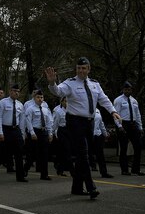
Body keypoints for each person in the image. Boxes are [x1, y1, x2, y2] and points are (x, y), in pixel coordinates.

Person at [45, 57, 121, 199]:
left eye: (84, 68)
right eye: (79, 68)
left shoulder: (94, 84)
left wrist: (113, 111)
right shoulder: (70, 83)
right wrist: (51, 82)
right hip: (75, 121)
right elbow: (58, 91)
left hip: (89, 122)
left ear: (88, 69)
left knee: (82, 156)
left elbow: (103, 98)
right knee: (84, 153)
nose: (81, 70)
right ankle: (91, 187)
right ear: (76, 69)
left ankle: (77, 187)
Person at [0, 84, 29, 182]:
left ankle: (20, 176)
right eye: (14, 91)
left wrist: (22, 133)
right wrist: (0, 132)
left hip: (16, 130)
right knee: (4, 152)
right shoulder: (3, 102)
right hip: (5, 129)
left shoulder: (20, 104)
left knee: (19, 152)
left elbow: (21, 120)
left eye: (18, 91)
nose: (16, 93)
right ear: (10, 91)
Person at [113, 81, 145, 176]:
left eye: (129, 89)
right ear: (123, 90)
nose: (128, 91)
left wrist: (140, 127)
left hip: (133, 124)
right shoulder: (118, 100)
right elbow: (115, 114)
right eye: (126, 89)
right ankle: (124, 169)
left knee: (138, 146)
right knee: (123, 148)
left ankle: (136, 169)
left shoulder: (134, 101)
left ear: (131, 90)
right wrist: (119, 126)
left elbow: (138, 115)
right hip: (123, 124)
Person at [22, 89, 54, 180]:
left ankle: (44, 174)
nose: (40, 99)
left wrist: (50, 133)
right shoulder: (30, 108)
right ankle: (25, 168)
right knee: (32, 154)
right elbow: (28, 122)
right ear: (34, 98)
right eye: (38, 97)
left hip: (43, 132)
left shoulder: (45, 109)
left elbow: (49, 121)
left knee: (44, 154)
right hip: (34, 132)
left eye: (41, 97)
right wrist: (31, 132)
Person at [89, 109, 113, 178]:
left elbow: (101, 123)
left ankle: (104, 172)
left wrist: (105, 134)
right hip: (88, 135)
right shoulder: (83, 109)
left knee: (100, 155)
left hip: (97, 135)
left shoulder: (97, 110)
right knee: (86, 154)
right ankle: (83, 173)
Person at [52, 97, 72, 176]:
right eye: (65, 101)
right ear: (62, 102)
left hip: (69, 131)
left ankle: (60, 169)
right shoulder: (58, 111)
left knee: (66, 151)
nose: (66, 103)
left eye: (68, 101)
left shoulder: (71, 110)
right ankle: (71, 171)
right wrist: (52, 133)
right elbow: (55, 123)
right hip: (62, 131)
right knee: (66, 151)